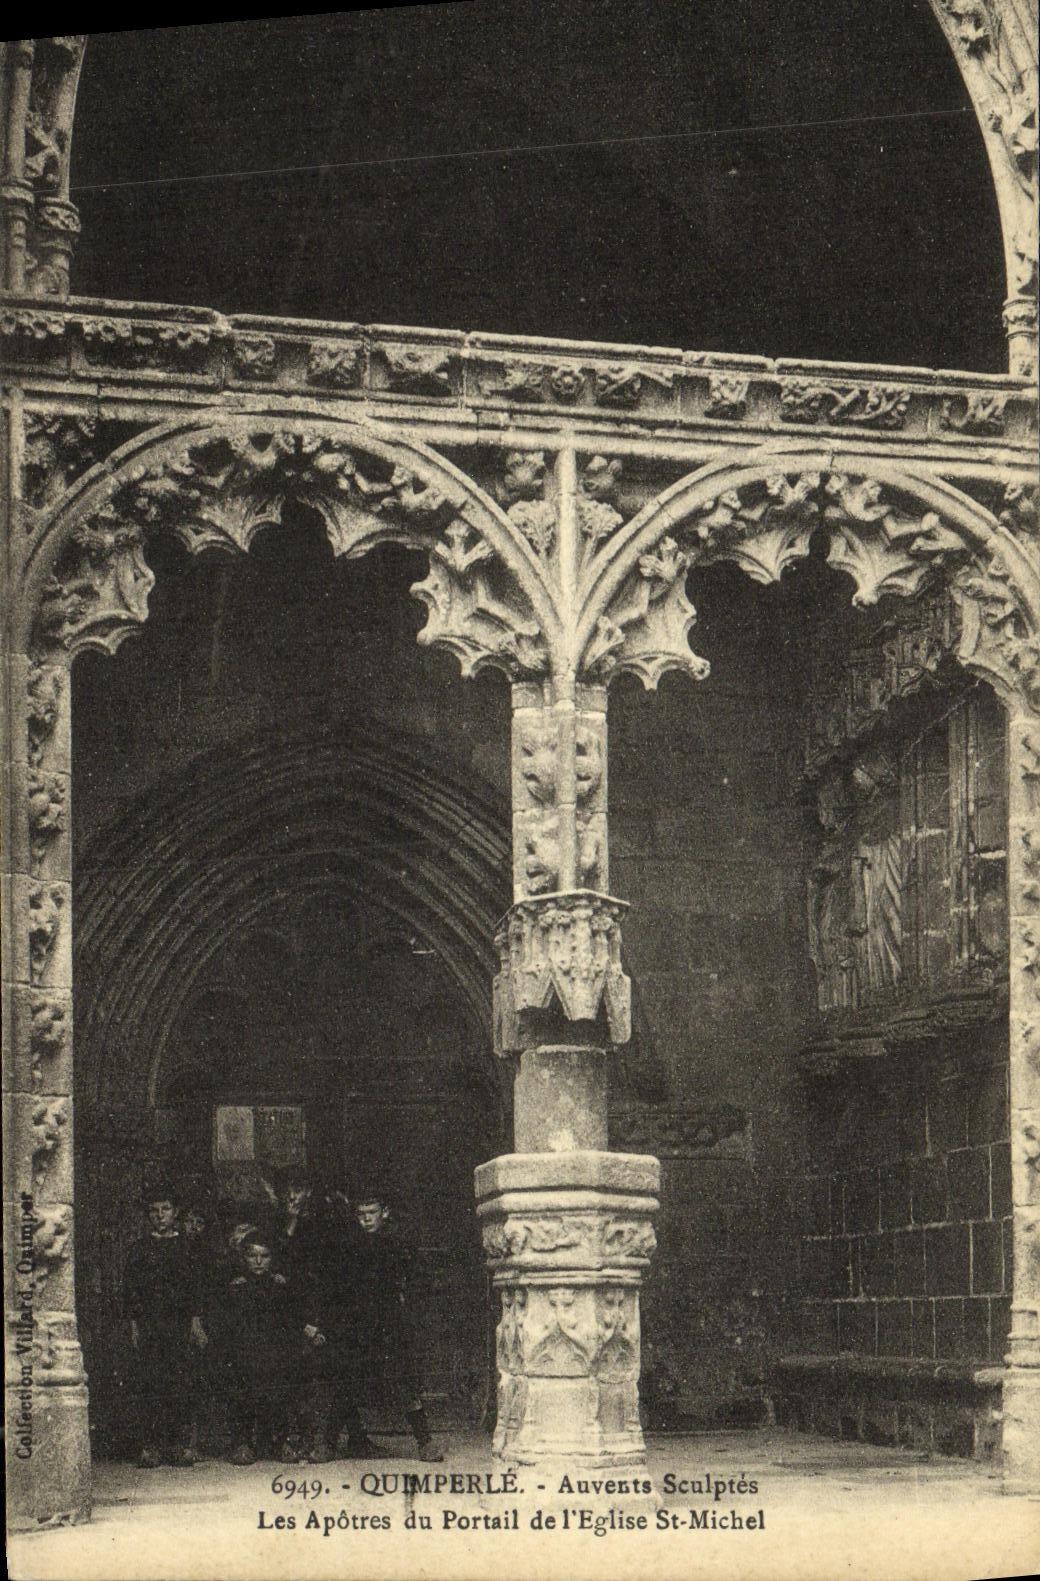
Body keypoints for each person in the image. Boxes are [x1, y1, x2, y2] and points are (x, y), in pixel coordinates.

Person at [348, 1187, 442, 1463]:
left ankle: (425, 1442)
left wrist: (409, 1307)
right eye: (361, 1214)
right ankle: (347, 1439)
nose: (366, 1219)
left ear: (384, 1213)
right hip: (358, 1322)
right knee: (348, 1379)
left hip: (391, 1321)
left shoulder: (398, 1243)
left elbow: (418, 1280)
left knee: (404, 1381)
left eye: (372, 1213)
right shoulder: (350, 1245)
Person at [122, 1182, 208, 1468]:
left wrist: (195, 1322)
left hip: (179, 1323)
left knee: (180, 1381)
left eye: (166, 1209)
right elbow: (131, 1290)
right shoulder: (138, 1249)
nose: (160, 1215)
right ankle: (151, 1445)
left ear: (176, 1212)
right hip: (150, 1324)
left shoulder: (187, 1247)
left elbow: (196, 1288)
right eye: (154, 1211)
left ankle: (179, 1445)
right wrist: (134, 1325)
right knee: (150, 1382)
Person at [216, 1231, 300, 1465]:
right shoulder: (236, 1287)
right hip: (245, 1353)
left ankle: (280, 1440)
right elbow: (229, 1325)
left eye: (264, 1256)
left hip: (274, 1352)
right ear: (243, 1258)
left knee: (279, 1391)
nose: (259, 1261)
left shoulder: (279, 1285)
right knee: (243, 1392)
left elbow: (289, 1322)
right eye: (253, 1256)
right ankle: (242, 1442)